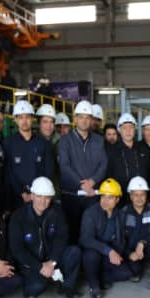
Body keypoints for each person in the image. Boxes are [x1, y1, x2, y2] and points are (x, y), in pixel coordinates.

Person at [8, 176, 81, 298]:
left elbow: (61, 238)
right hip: (32, 263)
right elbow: (17, 249)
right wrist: (40, 267)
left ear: (51, 198)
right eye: (39, 196)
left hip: (51, 259)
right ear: (32, 196)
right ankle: (45, 278)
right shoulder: (18, 217)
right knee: (35, 288)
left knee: (74, 252)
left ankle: (67, 286)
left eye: (47, 197)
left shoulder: (57, 212)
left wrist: (52, 262)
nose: (43, 201)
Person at [57, 100, 108, 243]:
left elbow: (104, 164)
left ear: (91, 120)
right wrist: (82, 185)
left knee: (93, 232)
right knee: (72, 233)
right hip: (71, 195)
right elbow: (65, 166)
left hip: (92, 196)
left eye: (87, 117)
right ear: (75, 119)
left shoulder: (99, 140)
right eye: (81, 117)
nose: (84, 121)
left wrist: (92, 181)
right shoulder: (65, 141)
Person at [79, 178, 133, 298]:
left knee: (126, 274)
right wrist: (109, 251)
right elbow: (86, 239)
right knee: (91, 255)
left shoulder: (120, 215)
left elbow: (121, 240)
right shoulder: (90, 213)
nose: (105, 201)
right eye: (103, 196)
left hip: (108, 254)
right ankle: (94, 286)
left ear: (117, 199)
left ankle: (99, 278)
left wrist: (122, 253)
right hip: (93, 252)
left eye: (110, 198)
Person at [3, 99, 55, 212]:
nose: (24, 121)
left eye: (27, 117)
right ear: (15, 120)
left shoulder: (43, 144)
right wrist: (22, 193)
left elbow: (48, 172)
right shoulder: (8, 143)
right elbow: (8, 172)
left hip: (40, 197)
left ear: (32, 119)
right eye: (20, 117)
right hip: (16, 199)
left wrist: (37, 193)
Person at [122, 176, 150, 289]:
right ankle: (137, 269)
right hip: (133, 252)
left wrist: (143, 242)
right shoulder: (123, 213)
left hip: (149, 248)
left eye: (142, 194)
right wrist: (129, 254)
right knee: (134, 273)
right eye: (136, 195)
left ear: (146, 195)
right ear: (131, 196)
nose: (139, 198)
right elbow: (120, 239)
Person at [107, 113, 150, 189]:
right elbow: (109, 175)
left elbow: (149, 172)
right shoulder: (112, 151)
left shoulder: (143, 148)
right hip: (120, 193)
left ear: (135, 129)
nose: (128, 131)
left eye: (131, 127)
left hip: (141, 192)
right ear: (119, 130)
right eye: (124, 128)